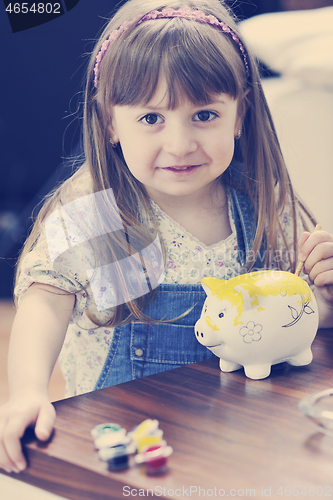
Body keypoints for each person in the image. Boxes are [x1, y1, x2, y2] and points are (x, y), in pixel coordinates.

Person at [1, 0, 333, 475]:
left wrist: (324, 299)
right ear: (111, 122)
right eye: (151, 118)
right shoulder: (99, 210)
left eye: (204, 116)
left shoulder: (260, 202)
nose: (179, 144)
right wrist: (28, 392)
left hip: (243, 435)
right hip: (131, 447)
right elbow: (45, 302)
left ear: (239, 114)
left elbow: (293, 316)